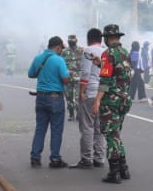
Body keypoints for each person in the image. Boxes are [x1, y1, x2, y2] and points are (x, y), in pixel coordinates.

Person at [94, 24, 133, 184]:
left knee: (111, 135)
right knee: (116, 134)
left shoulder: (107, 54)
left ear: (107, 38)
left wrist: (97, 100)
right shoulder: (125, 52)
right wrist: (100, 65)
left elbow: (104, 81)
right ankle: (124, 169)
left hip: (110, 101)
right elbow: (121, 74)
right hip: (124, 99)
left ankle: (114, 172)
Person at [27, 35, 71, 168]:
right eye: (61, 49)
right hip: (55, 98)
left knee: (40, 128)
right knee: (56, 129)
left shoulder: (38, 57)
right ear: (57, 47)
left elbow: (31, 74)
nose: (61, 51)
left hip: (40, 97)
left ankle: (35, 157)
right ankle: (55, 158)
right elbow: (65, 79)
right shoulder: (59, 60)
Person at [74, 27, 107, 169]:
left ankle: (87, 158)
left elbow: (85, 73)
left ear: (89, 39)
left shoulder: (88, 50)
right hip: (103, 93)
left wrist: (81, 92)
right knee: (100, 127)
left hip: (91, 92)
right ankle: (99, 158)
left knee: (87, 126)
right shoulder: (106, 51)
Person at [62, 34, 81, 121]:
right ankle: (71, 114)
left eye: (72, 41)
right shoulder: (65, 52)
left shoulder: (81, 51)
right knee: (69, 97)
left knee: (78, 97)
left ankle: (79, 114)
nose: (71, 42)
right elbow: (61, 64)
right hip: (68, 78)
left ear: (76, 41)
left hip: (78, 78)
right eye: (70, 41)